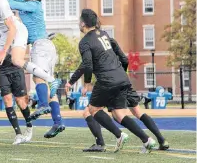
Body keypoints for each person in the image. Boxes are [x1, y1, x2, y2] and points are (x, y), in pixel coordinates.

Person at [65, 9, 156, 153]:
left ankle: (119, 135)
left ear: (83, 23)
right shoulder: (104, 34)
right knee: (119, 114)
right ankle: (147, 140)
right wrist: (73, 80)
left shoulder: (85, 42)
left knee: (92, 109)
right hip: (121, 77)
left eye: (79, 21)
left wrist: (87, 84)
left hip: (107, 80)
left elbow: (87, 64)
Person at [0, 0, 64, 137]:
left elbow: (11, 2)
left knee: (39, 79)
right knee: (48, 85)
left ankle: (43, 104)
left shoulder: (34, 5)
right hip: (46, 46)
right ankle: (58, 122)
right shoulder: (28, 3)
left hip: (40, 46)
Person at [79, 29, 169, 152]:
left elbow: (86, 64)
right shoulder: (110, 41)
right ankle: (160, 140)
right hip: (124, 80)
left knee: (114, 114)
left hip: (111, 81)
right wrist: (123, 73)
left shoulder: (96, 44)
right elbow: (125, 59)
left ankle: (123, 138)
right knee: (137, 112)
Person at [0, 53, 33, 145]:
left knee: (20, 102)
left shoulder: (15, 38)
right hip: (2, 70)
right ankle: (18, 134)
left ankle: (29, 127)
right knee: (7, 99)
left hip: (16, 69)